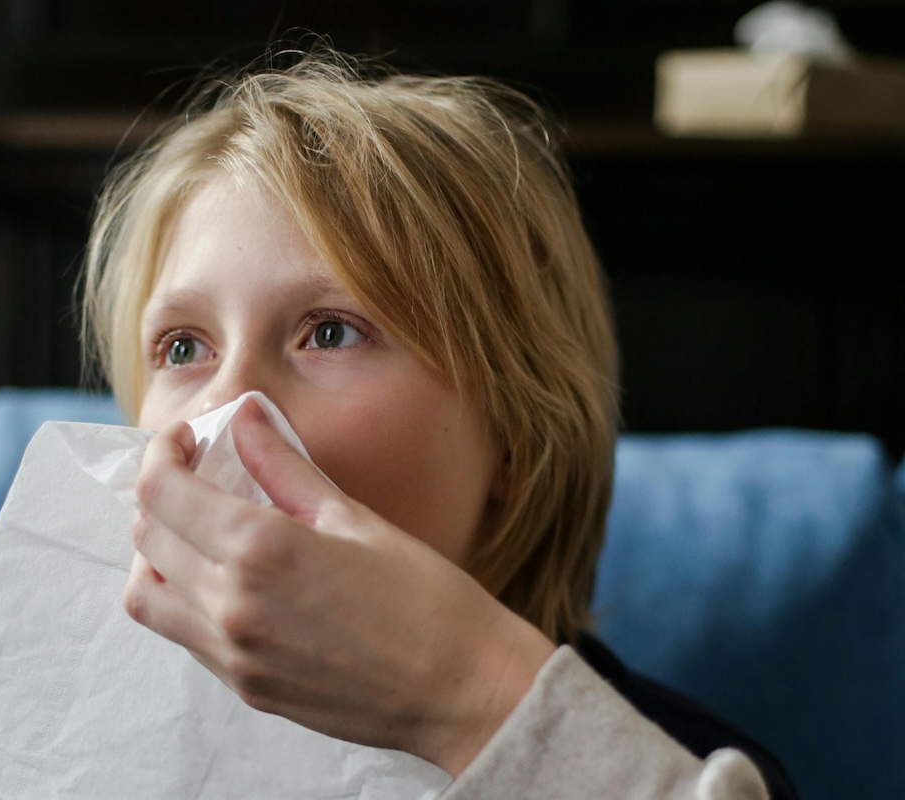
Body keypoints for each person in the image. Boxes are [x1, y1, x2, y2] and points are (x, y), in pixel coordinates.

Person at [81, 47, 797, 800]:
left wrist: (464, 697)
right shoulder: (95, 742)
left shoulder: (695, 773)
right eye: (184, 348)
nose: (226, 410)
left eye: (329, 332)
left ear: (516, 437)